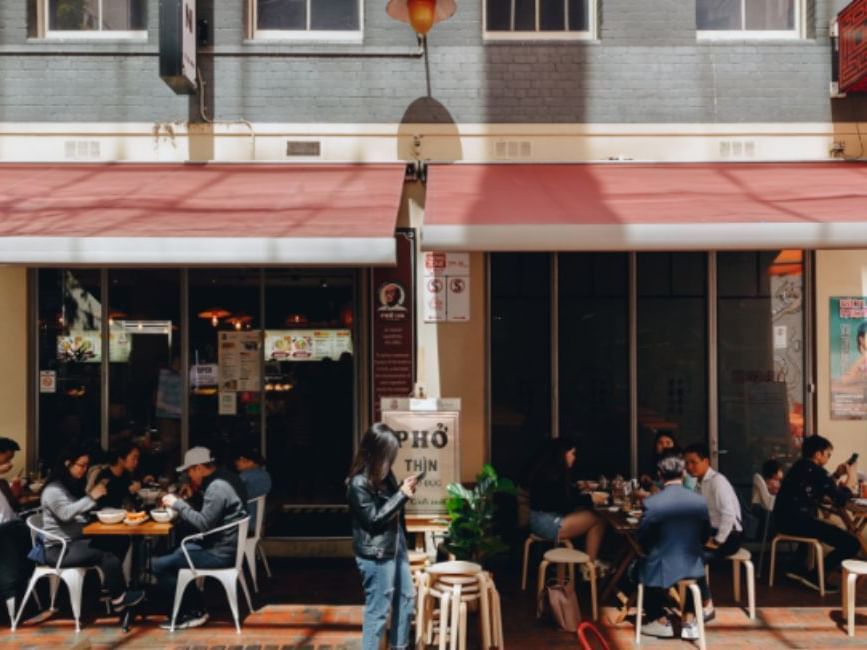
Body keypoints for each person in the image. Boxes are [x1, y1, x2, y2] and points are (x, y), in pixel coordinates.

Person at [40, 444, 144, 613]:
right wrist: (92, 497)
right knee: (106, 551)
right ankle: (119, 598)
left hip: (75, 542)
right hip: (60, 548)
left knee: (121, 539)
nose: (84, 470)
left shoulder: (70, 484)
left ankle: (109, 586)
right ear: (68, 464)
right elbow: (65, 514)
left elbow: (80, 510)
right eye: (81, 465)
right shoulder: (53, 489)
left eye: (86, 465)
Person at [153, 446, 249, 630]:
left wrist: (178, 504)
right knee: (174, 553)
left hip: (219, 552)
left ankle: (194, 611)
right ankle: (187, 606)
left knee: (159, 564)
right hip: (227, 546)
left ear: (199, 468)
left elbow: (204, 524)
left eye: (189, 470)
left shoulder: (216, 487)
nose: (189, 475)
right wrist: (195, 496)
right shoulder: (226, 477)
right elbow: (215, 513)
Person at [346, 423, 417, 650]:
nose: (390, 462)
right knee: (378, 611)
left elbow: (392, 508)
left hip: (396, 545)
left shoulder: (385, 476)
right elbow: (373, 521)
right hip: (376, 554)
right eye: (387, 456)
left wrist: (403, 491)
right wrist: (401, 496)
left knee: (406, 599)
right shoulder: (357, 484)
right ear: (374, 453)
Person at [633, 451, 710, 640]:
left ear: (659, 474)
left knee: (636, 569)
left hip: (662, 566)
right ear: (683, 473)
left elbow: (643, 537)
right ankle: (689, 621)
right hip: (693, 565)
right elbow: (705, 534)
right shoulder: (699, 501)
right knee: (693, 574)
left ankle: (659, 620)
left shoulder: (652, 502)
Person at [773, 435, 859, 593]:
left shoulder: (800, 467)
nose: (828, 458)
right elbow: (840, 499)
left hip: (784, 520)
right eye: (828, 454)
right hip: (798, 522)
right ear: (818, 454)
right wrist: (851, 481)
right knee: (852, 543)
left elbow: (821, 487)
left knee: (819, 527)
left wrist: (836, 475)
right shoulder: (816, 471)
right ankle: (816, 576)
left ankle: (795, 568)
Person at [684, 442, 743, 621]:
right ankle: (690, 609)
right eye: (687, 463)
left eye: (694, 462)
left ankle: (704, 605)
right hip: (711, 531)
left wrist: (717, 541)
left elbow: (729, 515)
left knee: (695, 560)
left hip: (730, 535)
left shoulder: (718, 482)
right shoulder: (697, 483)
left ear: (706, 461)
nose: (689, 467)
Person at [527, 437, 607, 569]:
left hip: (542, 518)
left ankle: (587, 564)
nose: (574, 458)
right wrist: (591, 499)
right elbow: (564, 503)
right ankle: (589, 567)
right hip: (547, 522)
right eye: (572, 453)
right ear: (563, 454)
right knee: (598, 518)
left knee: (588, 512)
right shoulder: (550, 475)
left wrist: (578, 489)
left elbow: (559, 497)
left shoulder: (549, 471)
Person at [230, 443, 272, 530]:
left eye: (240, 459)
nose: (236, 462)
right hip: (258, 519)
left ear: (250, 461)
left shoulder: (246, 475)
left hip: (245, 521)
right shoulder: (264, 474)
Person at [93, 441, 144, 510]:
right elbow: (105, 502)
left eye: (137, 459)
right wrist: (128, 490)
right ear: (121, 459)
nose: (136, 462)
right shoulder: (104, 476)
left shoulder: (125, 474)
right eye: (134, 458)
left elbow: (133, 499)